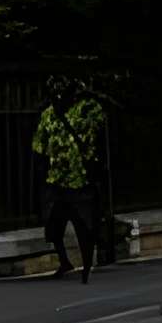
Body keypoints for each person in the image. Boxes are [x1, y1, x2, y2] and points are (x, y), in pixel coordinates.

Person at [35, 86, 108, 282]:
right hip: (57, 180)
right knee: (54, 225)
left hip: (80, 180)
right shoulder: (49, 114)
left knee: (84, 225)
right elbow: (40, 147)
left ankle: (85, 266)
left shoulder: (87, 109)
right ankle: (67, 262)